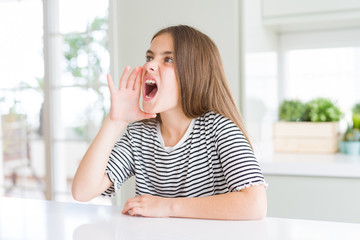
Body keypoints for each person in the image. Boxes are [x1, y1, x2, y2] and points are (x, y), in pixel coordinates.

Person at [72, 25, 268, 220]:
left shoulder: (218, 130)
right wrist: (115, 120)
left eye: (168, 59)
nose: (149, 65)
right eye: (150, 57)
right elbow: (82, 191)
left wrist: (166, 206)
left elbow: (255, 204)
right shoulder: (139, 134)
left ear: (194, 73)